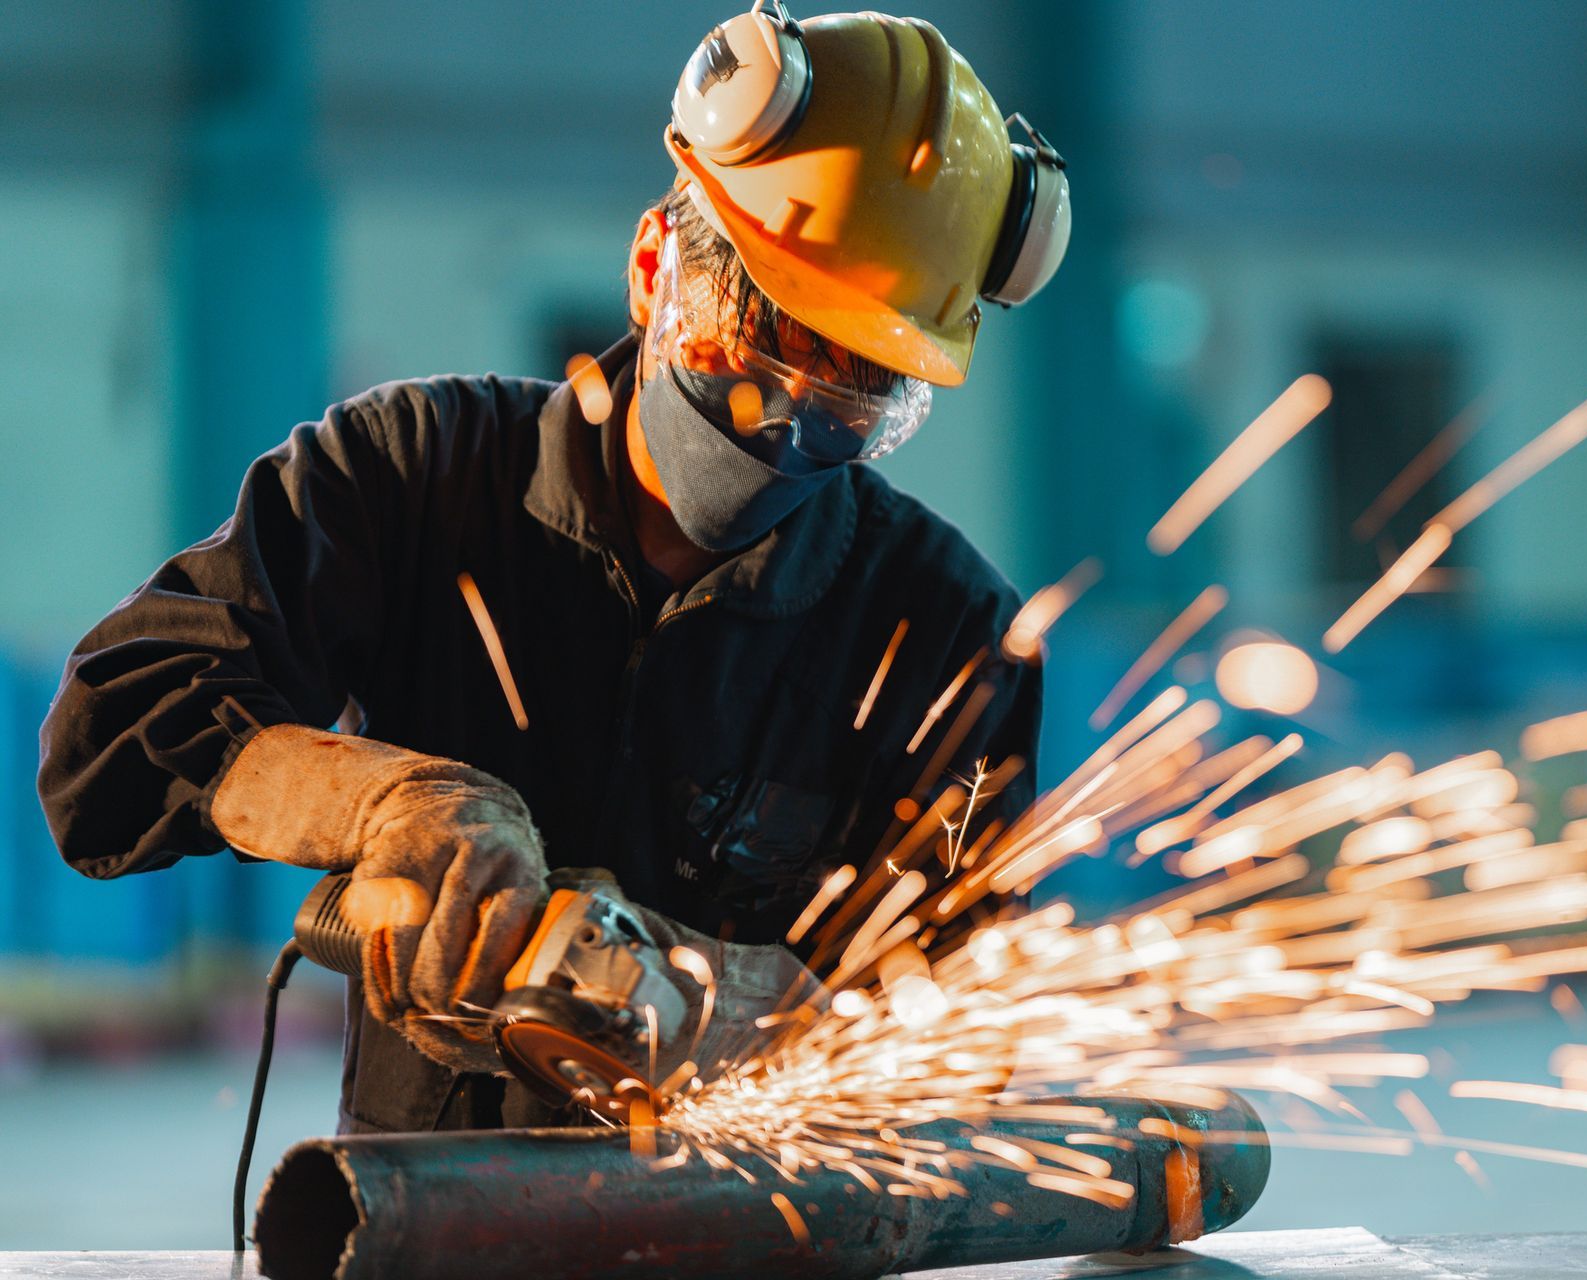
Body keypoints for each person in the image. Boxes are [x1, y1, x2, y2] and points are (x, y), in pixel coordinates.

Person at [36, 2, 1069, 1135]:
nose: (778, 421)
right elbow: (111, 731)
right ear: (653, 267)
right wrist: (380, 801)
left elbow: (963, 1036)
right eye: (755, 342)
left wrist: (745, 1013)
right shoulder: (415, 476)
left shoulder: (945, 632)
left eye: (848, 392)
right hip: (430, 1232)